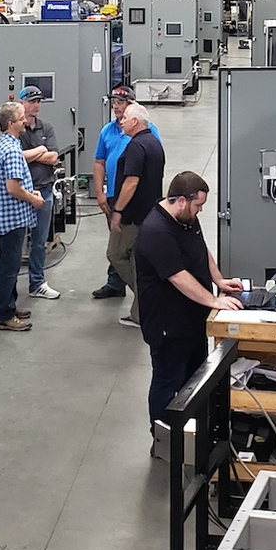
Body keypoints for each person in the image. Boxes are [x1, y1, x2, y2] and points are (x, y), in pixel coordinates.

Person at [134, 171, 242, 424]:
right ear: (181, 200)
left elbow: (200, 248)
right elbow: (178, 276)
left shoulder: (186, 218)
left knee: (196, 379)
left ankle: (192, 436)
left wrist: (218, 280)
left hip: (190, 320)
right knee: (168, 382)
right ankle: (162, 440)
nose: (199, 212)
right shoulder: (156, 230)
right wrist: (214, 301)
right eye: (198, 206)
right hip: (167, 326)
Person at [90, 87, 159, 301]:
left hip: (135, 200)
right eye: (114, 102)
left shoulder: (146, 132)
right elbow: (99, 162)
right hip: (113, 195)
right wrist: (100, 192)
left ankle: (143, 291)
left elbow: (143, 171)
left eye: (121, 102)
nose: (116, 106)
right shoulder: (108, 131)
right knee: (117, 241)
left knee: (131, 245)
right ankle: (115, 283)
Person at [106, 102, 165, 329]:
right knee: (135, 260)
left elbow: (131, 182)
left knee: (116, 254)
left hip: (133, 217)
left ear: (135, 122)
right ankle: (142, 308)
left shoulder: (136, 147)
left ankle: (146, 299)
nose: (121, 120)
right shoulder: (154, 143)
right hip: (150, 213)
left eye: (125, 118)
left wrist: (118, 211)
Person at [0, 100, 44, 334]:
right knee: (9, 266)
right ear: (11, 123)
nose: (25, 121)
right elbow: (12, 187)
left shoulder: (5, 144)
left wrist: (30, 192)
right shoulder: (11, 150)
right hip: (13, 219)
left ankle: (9, 306)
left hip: (10, 217)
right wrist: (33, 199)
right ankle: (4, 314)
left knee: (8, 264)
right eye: (21, 118)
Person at [17, 86, 62, 301]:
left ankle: (37, 283)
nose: (36, 105)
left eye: (39, 101)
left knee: (39, 241)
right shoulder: (17, 129)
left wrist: (32, 155)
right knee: (12, 241)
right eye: (32, 101)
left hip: (44, 191)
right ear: (22, 103)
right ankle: (2, 287)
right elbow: (17, 157)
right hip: (21, 193)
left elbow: (54, 157)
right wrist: (40, 151)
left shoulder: (47, 127)